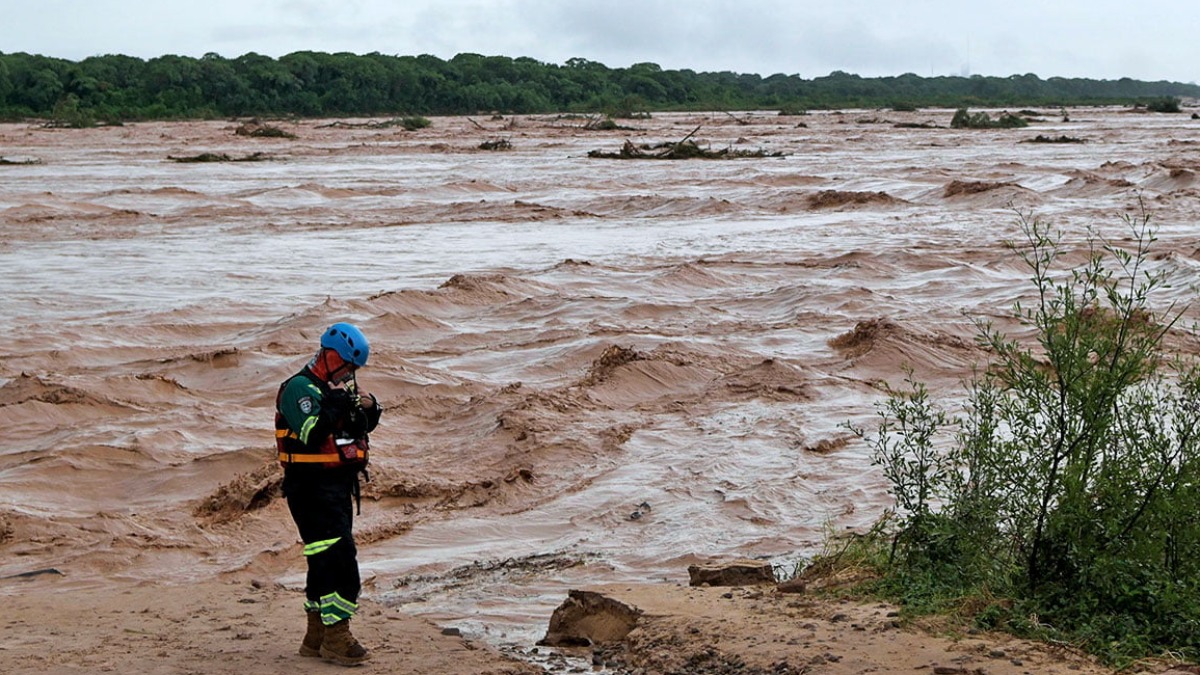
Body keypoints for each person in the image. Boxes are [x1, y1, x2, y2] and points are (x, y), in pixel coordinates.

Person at [274, 322, 382, 666]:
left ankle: (316, 637)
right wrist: (336, 405)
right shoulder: (298, 390)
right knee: (339, 559)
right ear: (332, 355)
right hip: (309, 487)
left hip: (334, 488)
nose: (350, 374)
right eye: (348, 366)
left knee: (322, 560)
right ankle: (337, 635)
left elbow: (357, 427)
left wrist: (367, 408)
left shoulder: (332, 390)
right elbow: (312, 431)